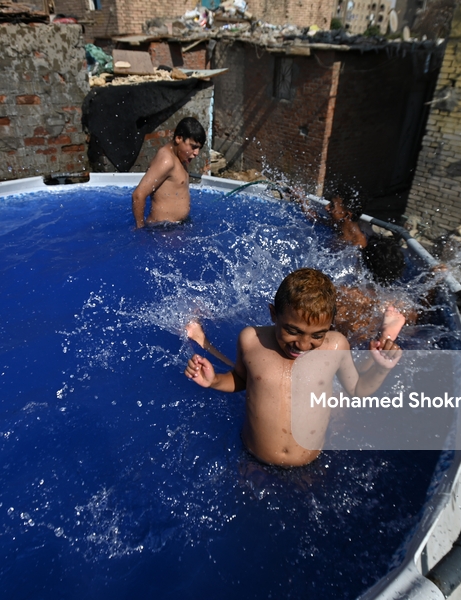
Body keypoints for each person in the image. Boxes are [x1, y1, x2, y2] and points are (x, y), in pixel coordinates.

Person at [184, 268, 401, 468]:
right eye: (293, 331)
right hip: (254, 457)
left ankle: (386, 333)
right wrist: (214, 381)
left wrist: (381, 369)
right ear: (273, 314)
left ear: (330, 326)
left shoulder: (336, 346)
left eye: (317, 335)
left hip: (309, 463)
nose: (303, 345)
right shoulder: (252, 340)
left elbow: (357, 389)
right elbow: (241, 379)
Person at [335, 236, 412, 344]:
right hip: (369, 347)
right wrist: (432, 287)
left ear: (360, 264)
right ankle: (384, 336)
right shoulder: (398, 306)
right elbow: (420, 323)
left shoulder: (341, 293)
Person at [131, 117, 206, 228]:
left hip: (175, 226)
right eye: (193, 147)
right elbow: (138, 195)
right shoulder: (167, 161)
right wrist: (140, 229)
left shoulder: (180, 157)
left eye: (199, 148)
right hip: (162, 229)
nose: (196, 153)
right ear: (178, 138)